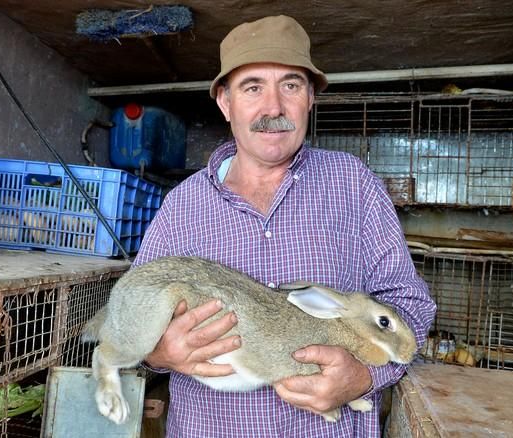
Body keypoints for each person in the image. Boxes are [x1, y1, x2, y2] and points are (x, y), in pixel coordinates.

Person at [133, 15, 436, 437]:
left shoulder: (353, 183)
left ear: (310, 97)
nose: (273, 107)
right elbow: (132, 313)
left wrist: (365, 377)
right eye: (252, 86)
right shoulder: (182, 206)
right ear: (225, 102)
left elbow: (409, 303)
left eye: (290, 85)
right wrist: (162, 351)